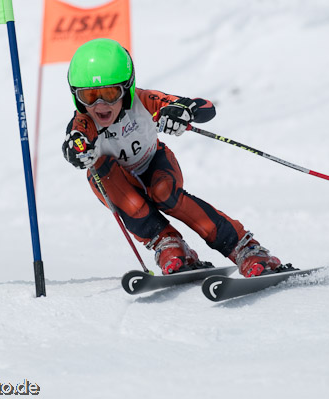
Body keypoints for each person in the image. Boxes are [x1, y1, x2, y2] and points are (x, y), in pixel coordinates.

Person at [62, 38, 286, 278]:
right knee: (108, 180)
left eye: (109, 93)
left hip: (154, 163)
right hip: (118, 181)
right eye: (89, 96)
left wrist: (181, 111)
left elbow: (206, 107)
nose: (100, 104)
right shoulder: (84, 122)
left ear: (127, 88)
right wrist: (77, 150)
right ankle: (168, 245)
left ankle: (244, 248)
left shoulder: (144, 101)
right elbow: (74, 142)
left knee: (164, 194)